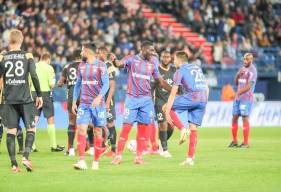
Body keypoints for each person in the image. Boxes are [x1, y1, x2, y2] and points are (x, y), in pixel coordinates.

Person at [110, 41, 172, 165]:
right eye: (151, 50)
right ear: (143, 49)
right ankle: (118, 156)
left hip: (146, 101)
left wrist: (174, 90)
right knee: (126, 128)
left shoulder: (153, 62)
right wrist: (114, 60)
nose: (153, 53)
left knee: (143, 128)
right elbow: (119, 64)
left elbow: (160, 80)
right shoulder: (132, 59)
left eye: (154, 50)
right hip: (132, 99)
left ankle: (138, 157)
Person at [0, 29, 43, 172]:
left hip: (9, 100)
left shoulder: (2, 57)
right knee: (31, 128)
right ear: (21, 40)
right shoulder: (27, 55)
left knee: (11, 131)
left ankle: (13, 165)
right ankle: (25, 156)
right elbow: (34, 76)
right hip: (25, 99)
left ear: (9, 41)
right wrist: (39, 95)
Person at [163, 51, 209, 166]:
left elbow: (174, 91)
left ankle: (182, 129)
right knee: (193, 128)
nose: (173, 62)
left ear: (179, 60)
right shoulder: (197, 68)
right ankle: (190, 159)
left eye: (174, 60)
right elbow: (206, 86)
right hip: (203, 99)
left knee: (165, 107)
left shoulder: (180, 71)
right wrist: (204, 104)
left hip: (192, 97)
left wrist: (168, 111)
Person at [72, 43, 109, 170]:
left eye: (82, 51)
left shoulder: (101, 65)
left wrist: (99, 97)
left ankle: (96, 161)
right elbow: (77, 85)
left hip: (98, 104)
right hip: (84, 103)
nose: (81, 53)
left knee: (97, 131)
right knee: (81, 129)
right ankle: (82, 161)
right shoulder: (81, 66)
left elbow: (106, 84)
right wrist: (73, 101)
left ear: (87, 51)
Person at [31, 52, 64, 152]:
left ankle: (31, 146)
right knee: (50, 119)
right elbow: (52, 84)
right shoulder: (49, 68)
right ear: (48, 59)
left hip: (33, 93)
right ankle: (53, 146)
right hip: (45, 94)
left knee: (34, 120)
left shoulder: (33, 66)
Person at [229, 53, 257, 148]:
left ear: (251, 60)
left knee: (245, 117)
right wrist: (237, 75)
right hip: (238, 97)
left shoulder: (253, 71)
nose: (245, 61)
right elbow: (236, 83)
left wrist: (238, 93)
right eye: (244, 59)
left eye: (247, 59)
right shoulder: (242, 69)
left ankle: (245, 143)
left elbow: (249, 86)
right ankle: (235, 141)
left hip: (246, 97)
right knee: (234, 117)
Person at [58, 50, 81, 156]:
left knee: (72, 122)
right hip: (83, 95)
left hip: (71, 96)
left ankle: (71, 150)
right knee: (85, 122)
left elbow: (60, 82)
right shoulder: (85, 65)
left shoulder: (67, 67)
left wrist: (65, 82)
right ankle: (89, 148)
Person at [153, 51, 176, 158]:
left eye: (168, 57)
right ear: (160, 58)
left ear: (170, 58)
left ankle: (161, 143)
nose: (166, 59)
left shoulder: (174, 70)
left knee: (171, 127)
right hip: (159, 101)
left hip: (170, 101)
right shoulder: (156, 70)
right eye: (164, 57)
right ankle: (165, 149)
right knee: (163, 124)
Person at [99, 46, 117, 157]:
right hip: (98, 99)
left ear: (104, 53)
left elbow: (112, 85)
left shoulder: (109, 66)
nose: (97, 55)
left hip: (106, 100)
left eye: (99, 53)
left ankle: (113, 150)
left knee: (110, 123)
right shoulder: (97, 65)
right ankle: (103, 146)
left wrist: (107, 102)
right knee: (98, 124)